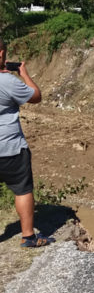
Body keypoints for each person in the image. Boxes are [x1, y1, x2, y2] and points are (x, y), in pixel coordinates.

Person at [0, 37, 54, 248]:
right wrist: (24, 74)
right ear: (2, 54)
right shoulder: (8, 82)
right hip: (10, 147)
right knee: (22, 190)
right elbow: (36, 96)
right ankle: (28, 236)